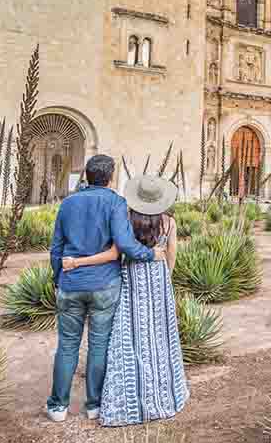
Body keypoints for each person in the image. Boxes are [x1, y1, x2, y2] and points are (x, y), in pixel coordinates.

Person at [46, 154, 163, 423]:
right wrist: (149, 254)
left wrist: (57, 277)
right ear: (110, 178)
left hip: (71, 283)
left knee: (67, 345)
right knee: (98, 345)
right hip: (104, 285)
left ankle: (58, 406)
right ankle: (94, 405)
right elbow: (124, 243)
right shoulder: (115, 203)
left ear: (87, 175)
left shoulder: (68, 203)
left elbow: (56, 248)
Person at [66, 174, 188, 426]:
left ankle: (129, 399)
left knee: (129, 335)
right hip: (158, 281)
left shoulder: (126, 220)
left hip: (130, 278)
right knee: (158, 336)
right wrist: (165, 280)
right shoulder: (169, 223)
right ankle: (162, 394)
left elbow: (118, 252)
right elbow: (171, 257)